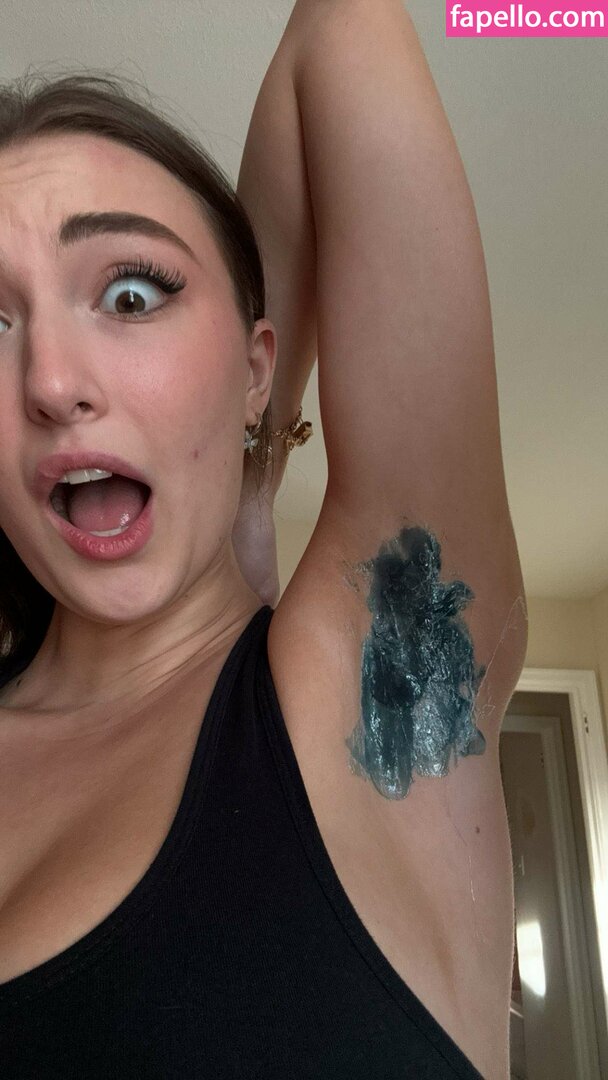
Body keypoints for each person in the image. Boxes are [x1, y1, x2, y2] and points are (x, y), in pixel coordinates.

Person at [0, 1, 528, 1077]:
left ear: (255, 367)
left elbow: (342, 21)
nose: (50, 381)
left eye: (131, 293)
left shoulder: (370, 681)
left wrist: (252, 486)